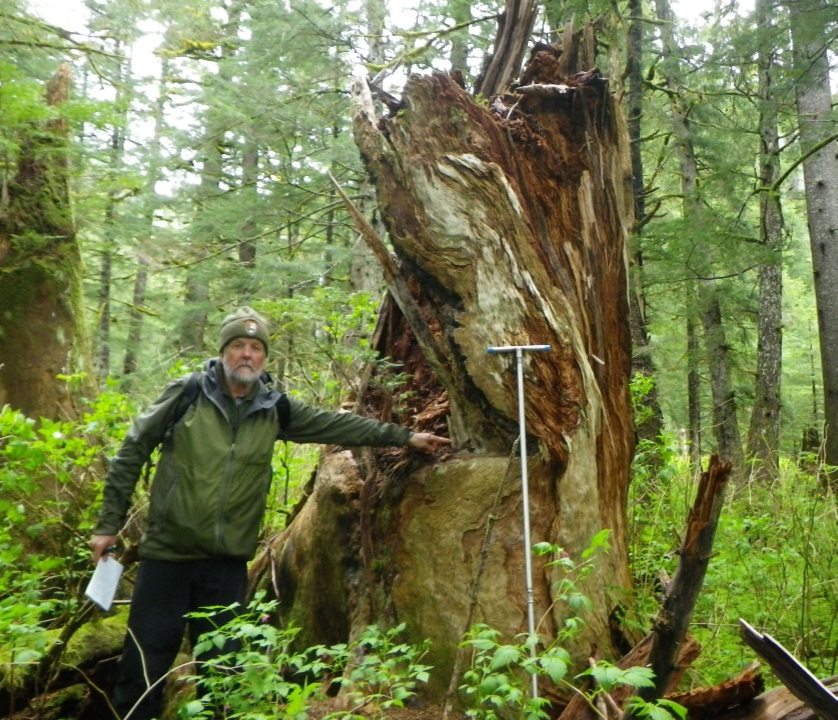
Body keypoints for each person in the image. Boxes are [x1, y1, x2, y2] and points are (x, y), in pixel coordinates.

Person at [90, 306, 450, 720]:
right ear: (224, 351)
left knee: (223, 676)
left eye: (256, 348)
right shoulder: (187, 393)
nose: (247, 355)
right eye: (239, 346)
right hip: (167, 558)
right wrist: (108, 525)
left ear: (264, 357)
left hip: (226, 565)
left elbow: (337, 424)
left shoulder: (274, 408)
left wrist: (403, 436)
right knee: (142, 669)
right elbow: (132, 450)